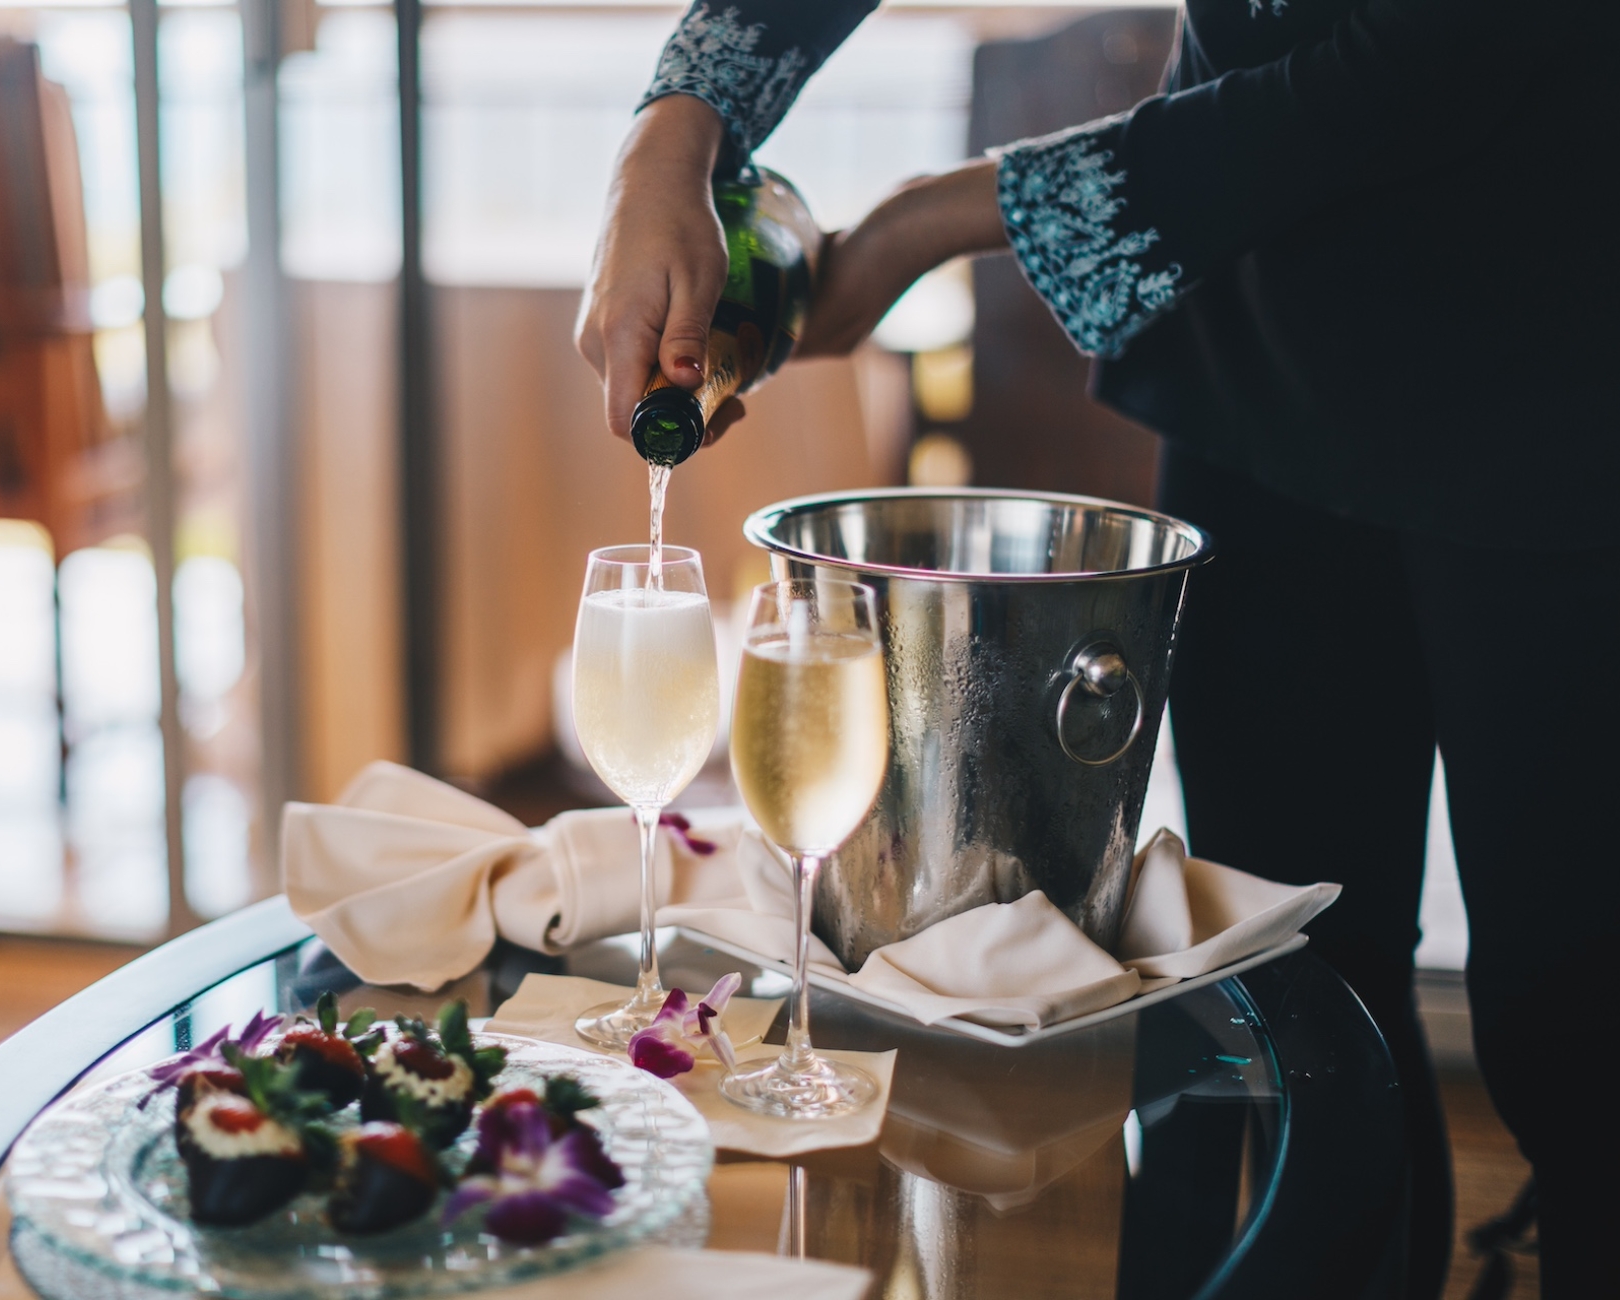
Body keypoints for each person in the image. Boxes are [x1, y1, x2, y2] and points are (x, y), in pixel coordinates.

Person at [575, 2, 1619, 1297]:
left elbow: (1438, 59)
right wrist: (669, 142)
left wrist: (926, 223)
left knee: (1577, 1042)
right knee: (1303, 1006)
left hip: (1567, 352)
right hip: (1266, 358)